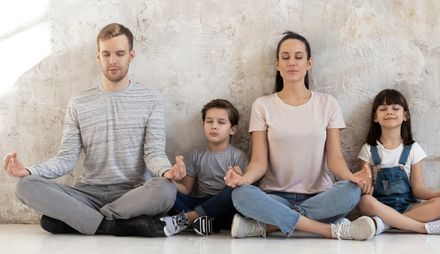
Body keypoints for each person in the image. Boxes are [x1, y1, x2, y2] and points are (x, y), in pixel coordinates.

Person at [3, 23, 184, 237]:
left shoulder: (150, 99)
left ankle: (86, 220)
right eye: (106, 54)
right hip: (87, 193)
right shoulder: (79, 102)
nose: (113, 60)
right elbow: (66, 159)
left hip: (132, 194)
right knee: (25, 186)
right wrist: (29, 171)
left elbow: (153, 153)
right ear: (98, 56)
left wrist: (166, 171)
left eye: (120, 53)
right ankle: (113, 225)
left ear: (131, 55)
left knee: (166, 189)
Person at [224, 31, 375, 240]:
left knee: (351, 191)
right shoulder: (263, 105)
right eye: (285, 57)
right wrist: (243, 179)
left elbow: (335, 160)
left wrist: (353, 177)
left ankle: (267, 227)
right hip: (275, 197)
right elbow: (259, 162)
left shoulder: (328, 104)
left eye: (298, 57)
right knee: (241, 195)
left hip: (321, 197)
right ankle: (330, 230)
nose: (291, 63)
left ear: (309, 62)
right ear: (277, 64)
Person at [357, 89, 440, 236]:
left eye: (395, 108)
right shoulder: (368, 149)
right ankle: (419, 227)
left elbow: (418, 189)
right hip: (380, 207)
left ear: (405, 116)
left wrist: (437, 194)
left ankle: (386, 225)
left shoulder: (413, 149)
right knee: (365, 201)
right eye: (383, 109)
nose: (390, 112)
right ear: (375, 117)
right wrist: (365, 187)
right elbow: (367, 187)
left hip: (409, 208)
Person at [159, 99, 248, 236]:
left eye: (221, 122)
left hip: (224, 204)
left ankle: (190, 219)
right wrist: (170, 180)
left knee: (234, 192)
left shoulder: (238, 156)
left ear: (232, 129)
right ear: (203, 126)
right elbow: (186, 190)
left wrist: (237, 179)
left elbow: (240, 189)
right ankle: (206, 222)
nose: (214, 126)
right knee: (164, 190)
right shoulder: (196, 155)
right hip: (199, 203)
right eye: (209, 121)